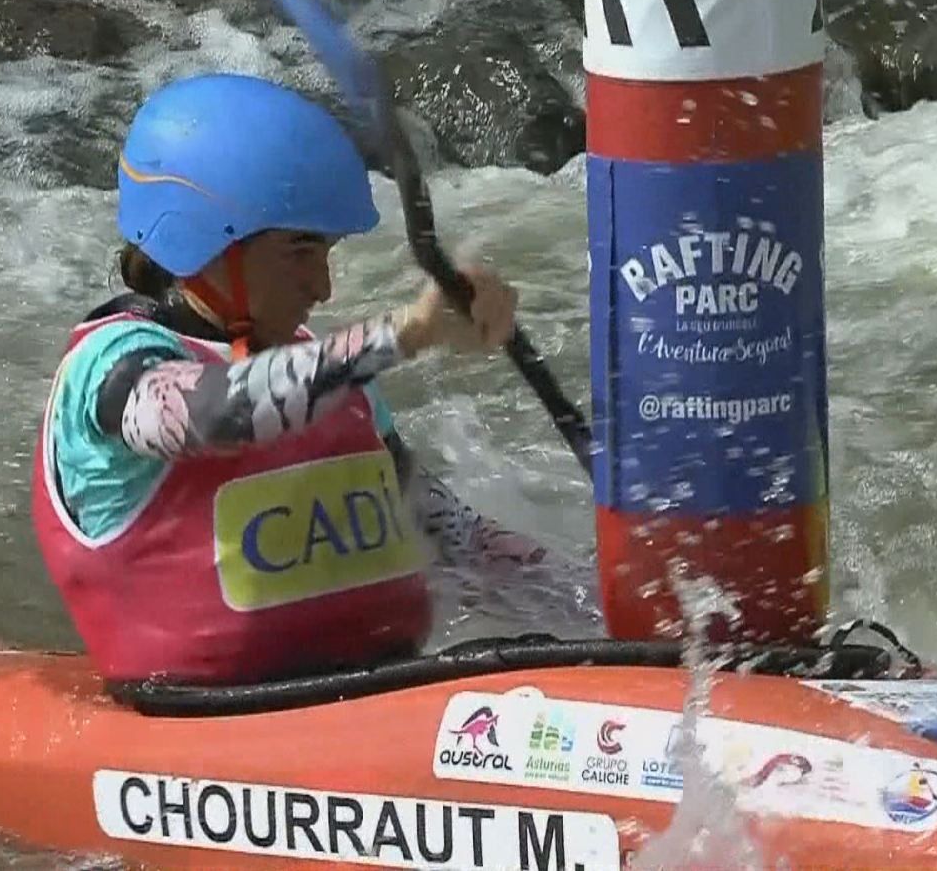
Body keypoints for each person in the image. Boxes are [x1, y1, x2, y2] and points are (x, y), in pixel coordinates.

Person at [29, 72, 559, 688]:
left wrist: (611, 608)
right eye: (301, 253)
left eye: (326, 255)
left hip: (381, 692)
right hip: (200, 716)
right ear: (204, 243)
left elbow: (455, 537)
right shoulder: (112, 368)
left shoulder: (322, 373)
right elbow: (214, 414)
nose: (323, 287)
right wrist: (406, 333)